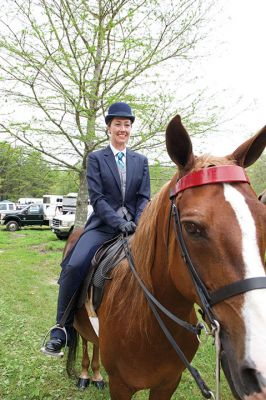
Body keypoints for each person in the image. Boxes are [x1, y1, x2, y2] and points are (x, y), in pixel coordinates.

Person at [42, 102, 151, 356]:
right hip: (103, 226)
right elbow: (98, 198)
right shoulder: (96, 159)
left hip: (135, 226)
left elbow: (144, 197)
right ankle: (62, 328)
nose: (122, 129)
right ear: (108, 128)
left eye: (127, 125)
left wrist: (138, 220)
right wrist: (118, 222)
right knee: (74, 265)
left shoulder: (141, 161)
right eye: (118, 125)